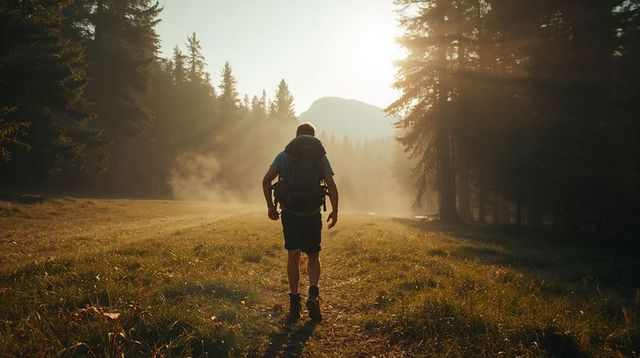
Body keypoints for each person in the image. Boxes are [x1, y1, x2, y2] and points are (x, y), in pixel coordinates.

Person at [262, 122, 339, 322]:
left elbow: (265, 180)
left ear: (296, 136)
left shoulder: (284, 155)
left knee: (293, 255)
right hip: (312, 212)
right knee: (313, 254)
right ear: (313, 137)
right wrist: (335, 210)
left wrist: (271, 207)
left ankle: (294, 303)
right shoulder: (319, 157)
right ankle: (313, 294)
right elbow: (331, 184)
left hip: (290, 212)